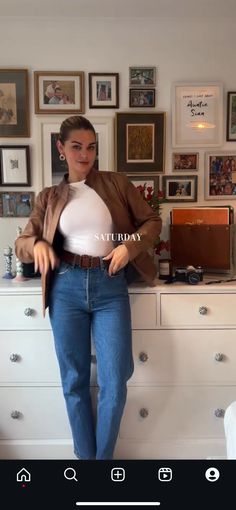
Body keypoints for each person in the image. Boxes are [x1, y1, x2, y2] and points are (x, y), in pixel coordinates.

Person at [15, 115, 161, 460]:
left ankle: (101, 462)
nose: (85, 154)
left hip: (110, 285)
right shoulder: (49, 197)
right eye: (76, 146)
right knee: (75, 381)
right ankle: (87, 463)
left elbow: (152, 221)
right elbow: (23, 240)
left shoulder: (116, 184)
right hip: (65, 288)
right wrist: (35, 246)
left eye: (91, 147)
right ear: (61, 149)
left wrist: (129, 246)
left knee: (114, 380)